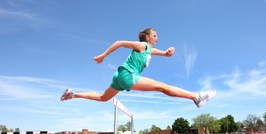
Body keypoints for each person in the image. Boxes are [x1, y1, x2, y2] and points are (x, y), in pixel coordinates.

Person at [60, 28, 216, 107]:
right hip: (128, 74)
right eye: (155, 35)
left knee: (103, 98)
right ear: (147, 37)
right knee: (161, 86)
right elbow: (119, 42)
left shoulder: (150, 50)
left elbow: (165, 54)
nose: (157, 37)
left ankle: (73, 95)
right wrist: (103, 56)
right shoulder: (142, 45)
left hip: (119, 77)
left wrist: (169, 51)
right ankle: (196, 97)